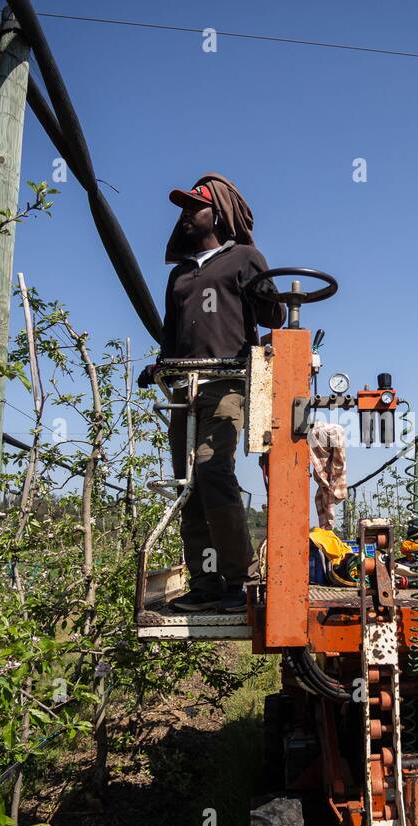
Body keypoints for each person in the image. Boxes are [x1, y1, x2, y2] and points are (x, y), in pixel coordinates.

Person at [141, 173, 284, 612]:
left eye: (192, 207)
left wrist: (263, 289)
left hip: (225, 382)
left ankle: (240, 581)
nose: (185, 216)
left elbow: (273, 316)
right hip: (184, 387)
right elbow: (171, 334)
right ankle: (206, 584)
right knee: (189, 483)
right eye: (182, 209)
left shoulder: (244, 258)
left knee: (212, 469)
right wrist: (159, 364)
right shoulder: (180, 275)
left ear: (217, 213)